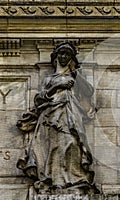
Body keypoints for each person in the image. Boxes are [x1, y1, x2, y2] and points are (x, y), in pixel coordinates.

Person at [17, 42, 98, 194]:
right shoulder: (49, 79)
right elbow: (39, 98)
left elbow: (88, 91)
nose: (63, 56)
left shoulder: (75, 77)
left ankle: (74, 179)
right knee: (55, 147)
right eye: (61, 53)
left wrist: (75, 74)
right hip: (51, 116)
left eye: (67, 54)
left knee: (72, 143)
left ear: (71, 58)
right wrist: (56, 87)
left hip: (71, 114)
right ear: (55, 58)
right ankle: (55, 181)